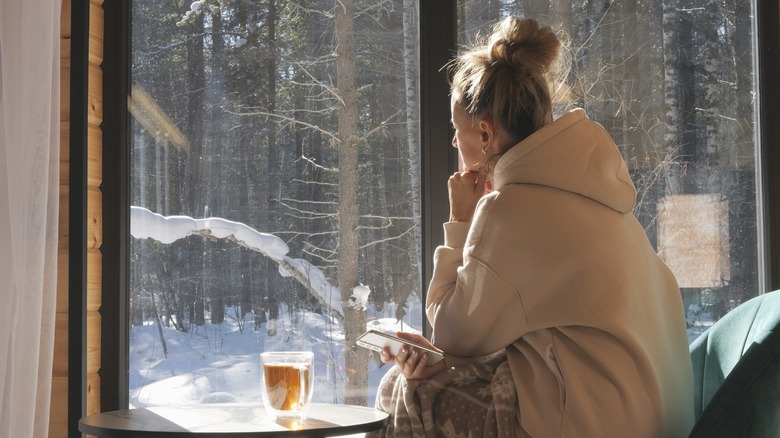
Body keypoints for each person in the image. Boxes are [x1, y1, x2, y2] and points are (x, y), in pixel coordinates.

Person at [371, 16, 695, 437]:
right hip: (651, 415)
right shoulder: (593, 191)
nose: (455, 144)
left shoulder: (512, 210)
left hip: (597, 424)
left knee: (403, 389)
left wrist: (462, 221)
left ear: (485, 133)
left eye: (457, 130)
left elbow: (453, 335)